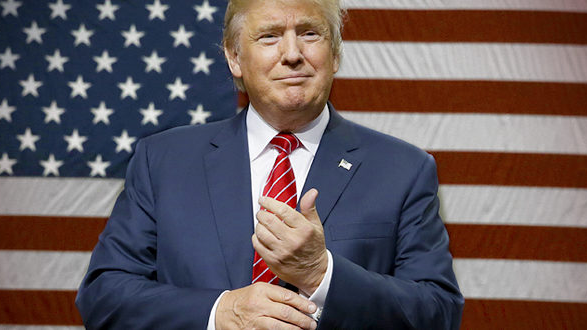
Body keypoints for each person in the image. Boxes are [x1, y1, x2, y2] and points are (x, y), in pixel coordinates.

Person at [76, 0, 464, 328]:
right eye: (269, 36)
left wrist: (320, 273)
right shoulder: (162, 161)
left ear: (336, 54)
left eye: (310, 34)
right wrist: (220, 312)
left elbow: (439, 311)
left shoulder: (404, 169)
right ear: (234, 57)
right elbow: (104, 295)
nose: (292, 54)